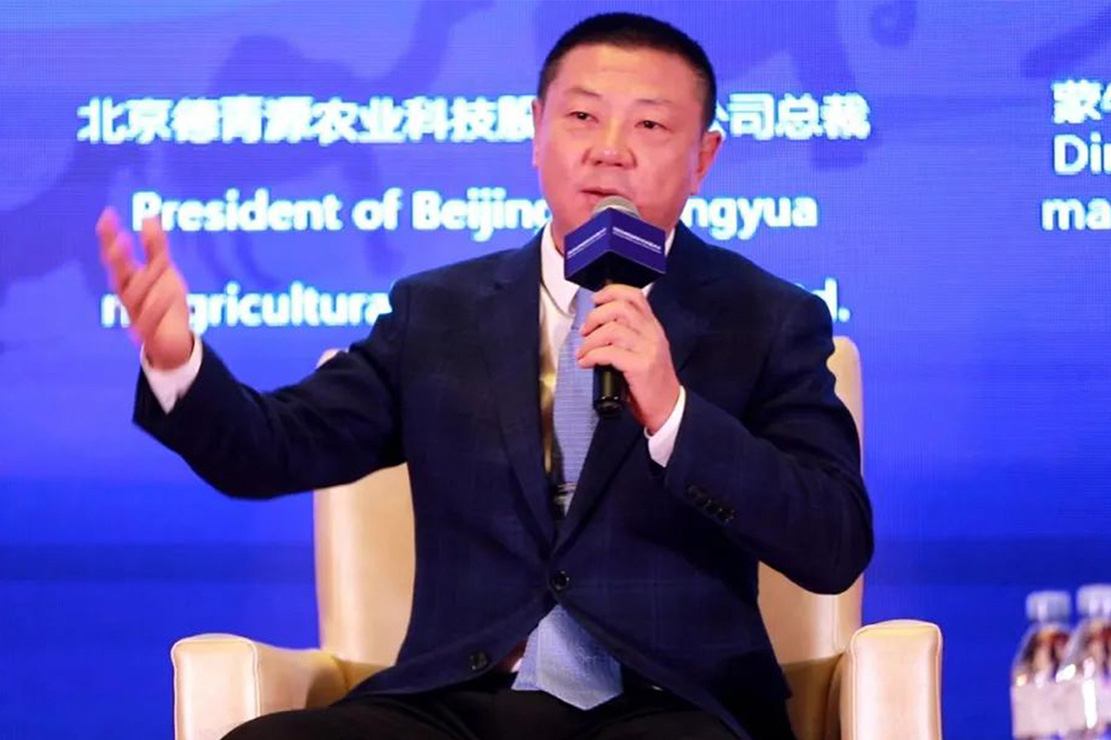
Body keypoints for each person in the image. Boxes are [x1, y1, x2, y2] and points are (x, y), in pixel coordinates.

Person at [96, 12, 872, 740]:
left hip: (668, 705)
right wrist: (176, 361)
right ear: (535, 132)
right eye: (582, 116)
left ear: (702, 157)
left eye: (649, 125)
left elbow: (833, 542)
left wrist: (673, 414)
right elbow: (272, 449)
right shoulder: (438, 312)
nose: (609, 149)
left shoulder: (767, 318)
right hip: (455, 704)